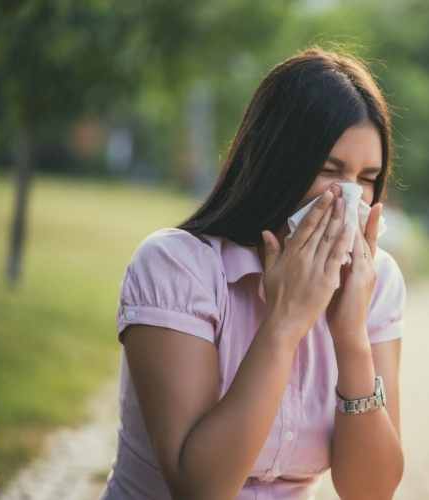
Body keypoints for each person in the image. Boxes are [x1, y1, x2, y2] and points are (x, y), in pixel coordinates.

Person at [99, 46, 407, 500]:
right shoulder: (177, 267)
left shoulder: (375, 280)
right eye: (329, 170)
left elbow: (371, 491)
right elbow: (199, 488)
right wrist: (285, 324)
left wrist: (351, 336)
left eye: (366, 178)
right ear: (275, 166)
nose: (348, 197)